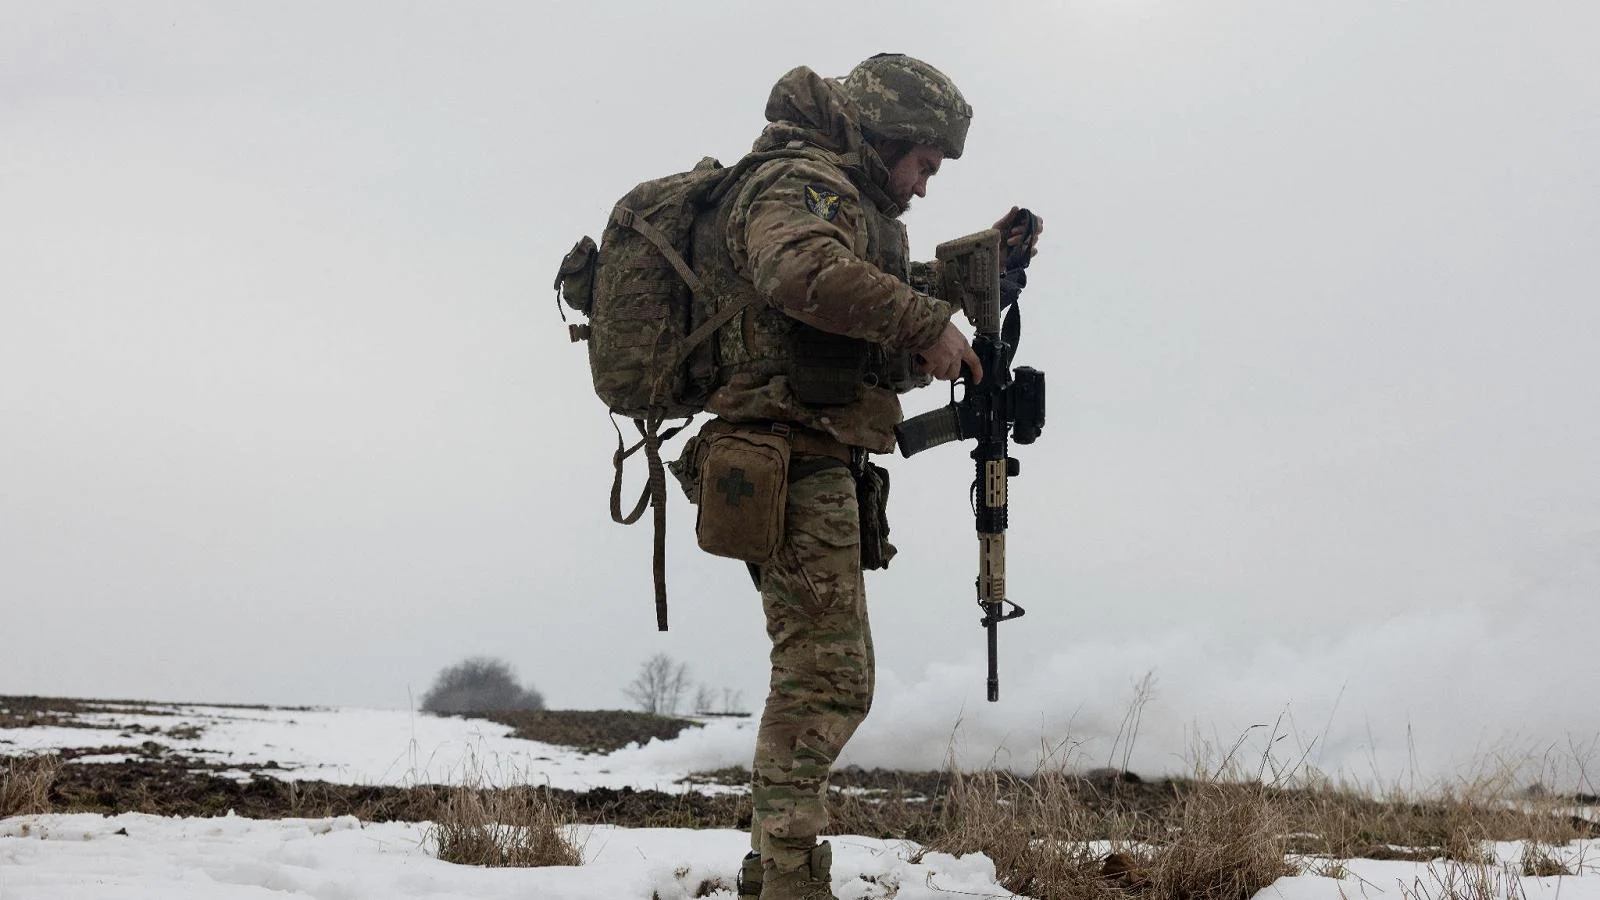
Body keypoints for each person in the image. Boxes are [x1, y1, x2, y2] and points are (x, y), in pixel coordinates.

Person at [685, 54, 1042, 900]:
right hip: (786, 458)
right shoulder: (800, 182)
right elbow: (798, 272)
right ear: (886, 137)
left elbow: (861, 330)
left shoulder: (847, 203)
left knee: (816, 678)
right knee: (828, 684)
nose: (923, 188)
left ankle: (771, 871)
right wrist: (926, 319)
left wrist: (979, 275)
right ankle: (789, 883)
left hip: (810, 456)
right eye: (923, 164)